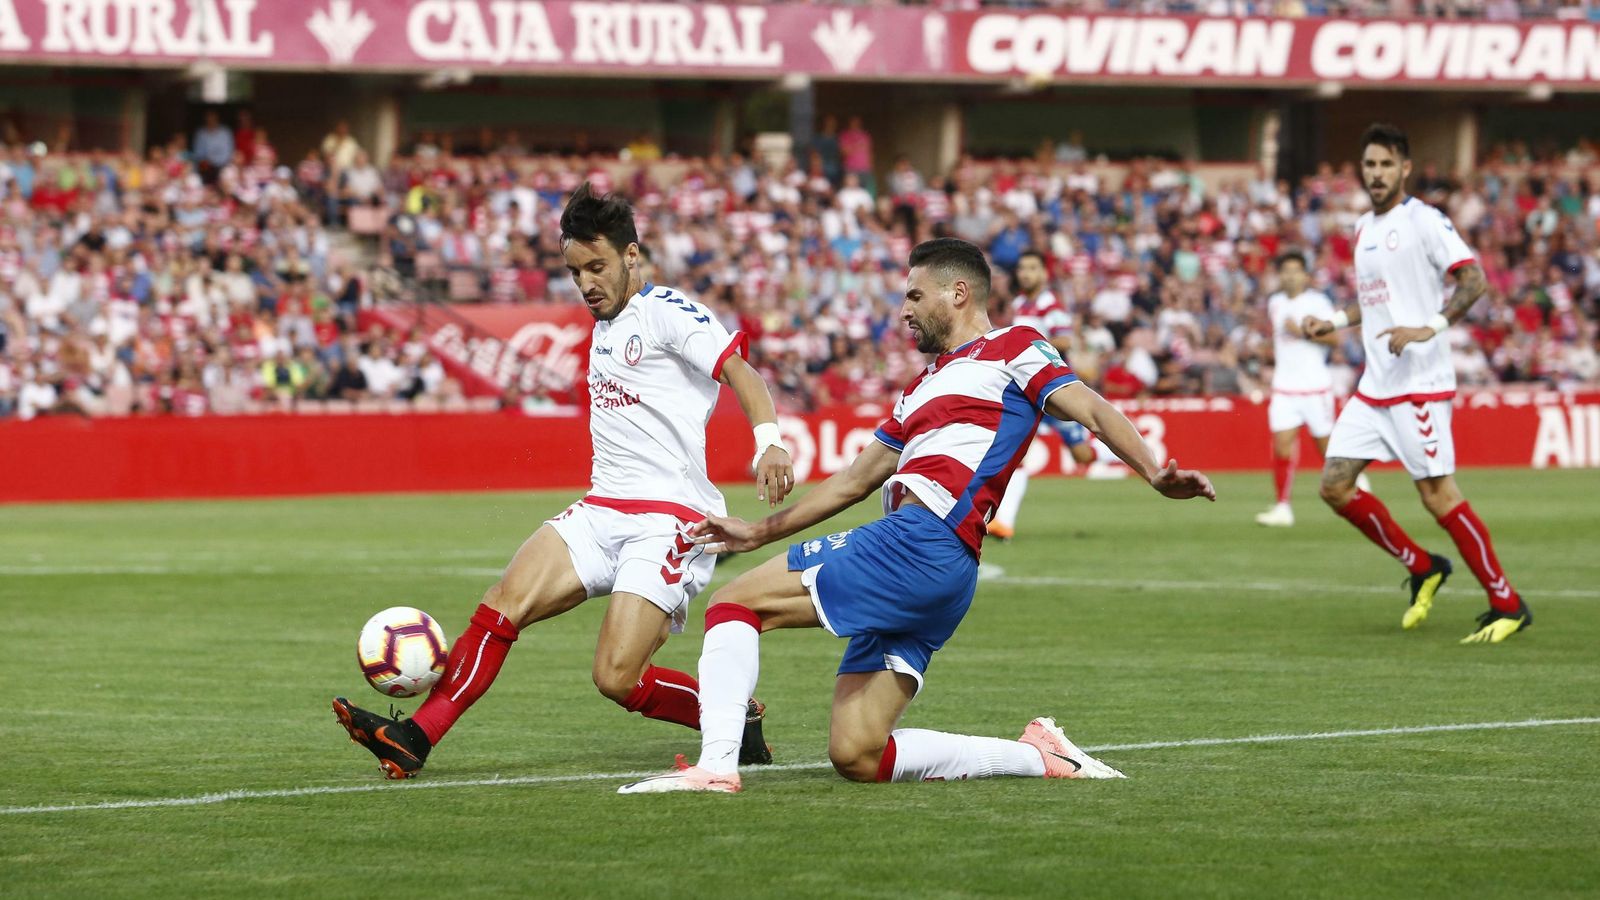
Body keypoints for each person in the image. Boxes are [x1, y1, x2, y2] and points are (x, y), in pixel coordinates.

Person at [617, 238, 1214, 794]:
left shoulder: (1015, 347)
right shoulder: (917, 390)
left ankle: (717, 765)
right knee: (857, 753)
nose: (903, 310)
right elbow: (853, 480)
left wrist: (1153, 471)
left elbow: (1090, 407)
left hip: (922, 539)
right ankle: (1040, 755)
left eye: (913, 295)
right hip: (944, 570)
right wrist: (756, 532)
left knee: (733, 605)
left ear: (958, 293)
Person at [333, 184, 797, 778]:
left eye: (596, 267)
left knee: (615, 677)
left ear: (632, 255)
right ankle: (416, 737)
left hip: (669, 522)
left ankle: (735, 716)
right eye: (575, 271)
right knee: (502, 605)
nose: (586, 284)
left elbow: (740, 371)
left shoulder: (668, 313)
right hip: (601, 510)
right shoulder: (603, 328)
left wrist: (769, 442)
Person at [1304, 124, 1532, 644]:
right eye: (1369, 165)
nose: (1377, 174)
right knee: (1335, 486)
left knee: (1437, 495)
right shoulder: (1363, 227)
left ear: (1405, 168)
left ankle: (1508, 602)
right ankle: (1423, 565)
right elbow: (1375, 300)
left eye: (1386, 164)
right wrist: (1334, 323)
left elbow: (1472, 278)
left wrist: (1428, 328)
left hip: (1420, 382)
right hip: (1376, 384)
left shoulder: (1425, 221)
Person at [988, 249, 1097, 541]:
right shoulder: (1020, 303)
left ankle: (1115, 449)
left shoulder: (1051, 305)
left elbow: (1064, 339)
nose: (1025, 273)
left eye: (1032, 268)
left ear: (1044, 274)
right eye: (1022, 268)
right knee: (1013, 453)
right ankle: (1002, 523)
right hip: (1027, 391)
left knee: (1082, 454)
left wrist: (1031, 344)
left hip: (1055, 390)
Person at [1255, 251, 1369, 527]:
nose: (1290, 276)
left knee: (1326, 448)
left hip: (1315, 386)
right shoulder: (1275, 302)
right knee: (1281, 447)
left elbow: (1334, 341)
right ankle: (1283, 507)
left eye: (1295, 271)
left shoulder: (1317, 302)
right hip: (1284, 386)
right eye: (1285, 271)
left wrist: (1302, 332)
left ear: (1305, 275)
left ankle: (1356, 480)